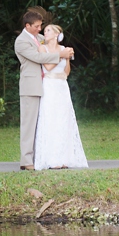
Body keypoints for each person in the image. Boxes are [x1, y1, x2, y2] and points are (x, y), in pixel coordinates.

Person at [15, 11, 73, 170]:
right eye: (36, 26)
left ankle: (42, 157)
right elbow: (39, 58)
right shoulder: (21, 42)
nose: (40, 29)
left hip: (47, 85)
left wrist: (65, 50)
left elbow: (50, 41)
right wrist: (61, 54)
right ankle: (26, 161)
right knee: (29, 124)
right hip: (31, 86)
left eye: (41, 26)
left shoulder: (38, 38)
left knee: (44, 123)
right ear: (27, 26)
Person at [33, 24, 89, 170]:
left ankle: (64, 158)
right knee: (50, 118)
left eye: (48, 30)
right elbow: (47, 67)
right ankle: (51, 159)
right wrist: (61, 56)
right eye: (44, 31)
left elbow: (66, 72)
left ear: (57, 34)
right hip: (49, 85)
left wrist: (67, 58)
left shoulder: (64, 49)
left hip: (62, 85)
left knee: (64, 120)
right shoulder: (42, 48)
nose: (45, 32)